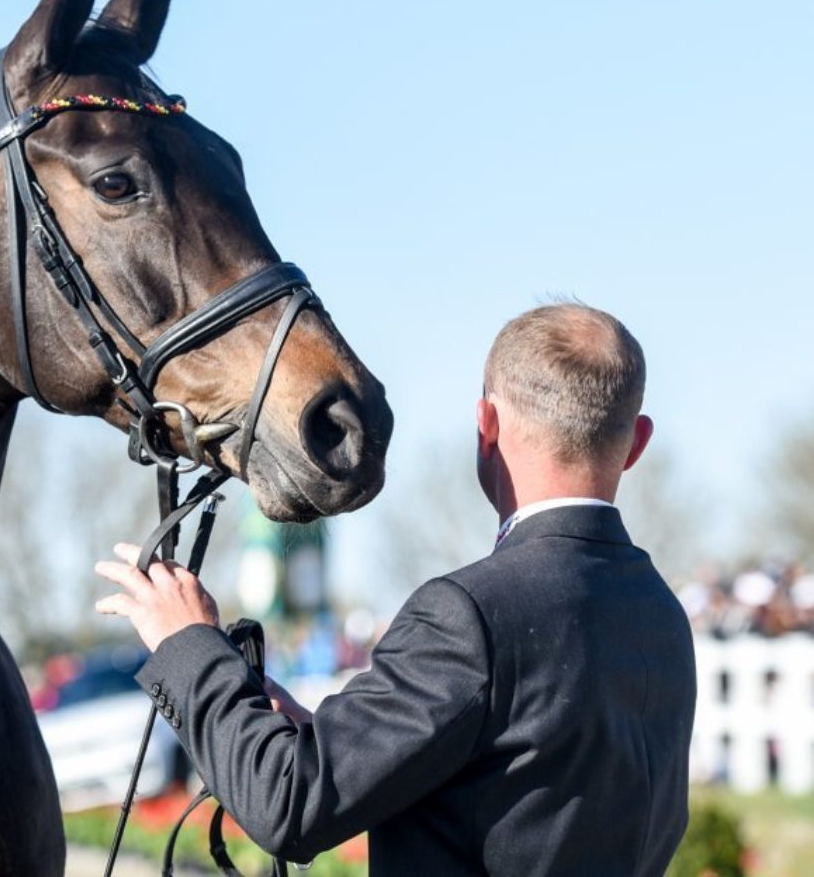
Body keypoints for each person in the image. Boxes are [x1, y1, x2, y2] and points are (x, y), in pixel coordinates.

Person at [96, 302, 697, 876]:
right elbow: (519, 795)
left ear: (485, 423)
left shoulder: (471, 615)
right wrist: (325, 738)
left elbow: (289, 806)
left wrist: (188, 642)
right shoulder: (663, 614)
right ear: (637, 441)